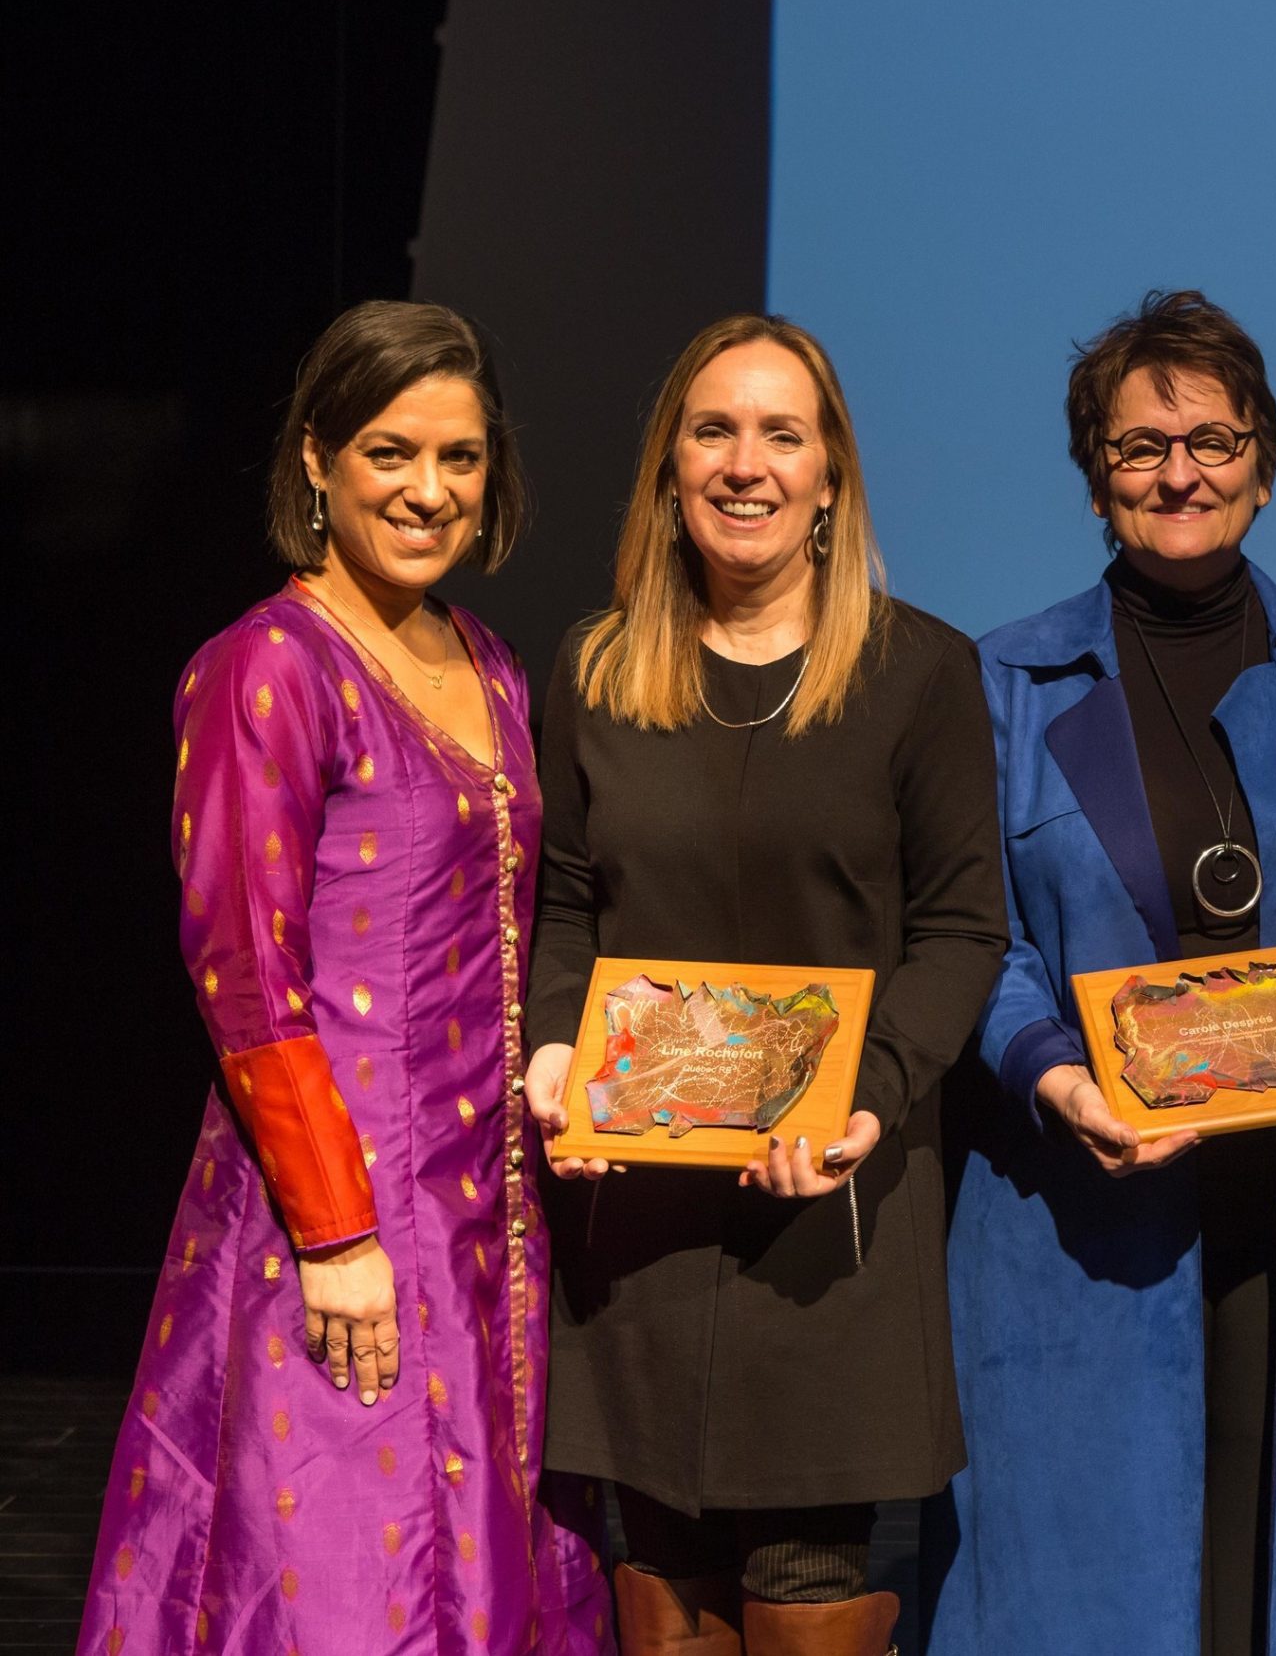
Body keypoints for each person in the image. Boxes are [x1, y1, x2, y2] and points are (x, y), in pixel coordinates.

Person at [79, 301, 610, 1656]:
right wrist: (337, 1237)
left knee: (482, 1571)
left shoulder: (485, 660)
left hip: (489, 1219)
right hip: (341, 1216)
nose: (429, 492)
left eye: (462, 459)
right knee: (336, 1586)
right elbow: (244, 979)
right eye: (391, 453)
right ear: (317, 461)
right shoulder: (267, 666)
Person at [925, 290, 1276, 1656]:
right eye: (1142, 445)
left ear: (1265, 466)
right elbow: (983, 936)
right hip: (1089, 1209)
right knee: (1094, 1588)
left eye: (1214, 441)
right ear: (1097, 473)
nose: (1180, 474)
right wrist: (1051, 1074)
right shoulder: (1005, 683)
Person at [522, 313, 1008, 1656]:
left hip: (828, 1219)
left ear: (830, 474)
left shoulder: (921, 675)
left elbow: (965, 929)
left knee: (807, 1582)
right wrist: (557, 1047)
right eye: (714, 430)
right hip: (642, 1229)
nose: (748, 464)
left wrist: (864, 1095)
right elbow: (567, 905)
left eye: (781, 434)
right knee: (664, 1595)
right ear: (670, 468)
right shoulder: (593, 670)